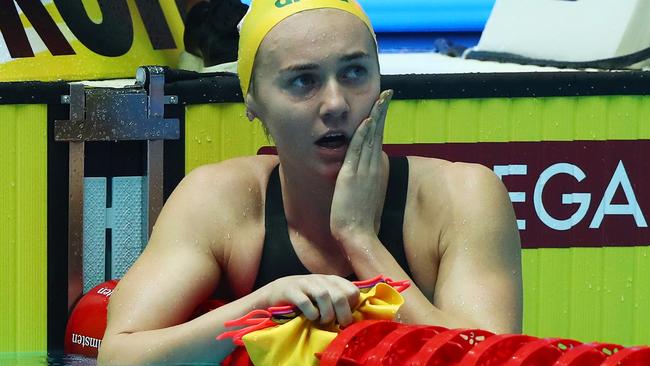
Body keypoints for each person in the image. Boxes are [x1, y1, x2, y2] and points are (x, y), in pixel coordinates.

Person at [97, 0, 523, 364]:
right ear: (253, 103)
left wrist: (361, 241)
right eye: (304, 81)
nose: (336, 103)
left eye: (355, 73)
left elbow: (488, 358)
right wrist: (263, 306)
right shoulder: (220, 201)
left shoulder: (461, 197)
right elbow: (120, 355)